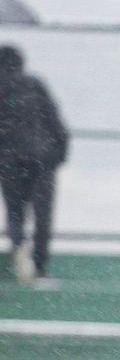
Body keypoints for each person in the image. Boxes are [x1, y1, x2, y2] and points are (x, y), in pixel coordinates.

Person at [0, 45, 69, 287]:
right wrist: (59, 154)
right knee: (43, 215)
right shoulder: (34, 85)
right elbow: (55, 121)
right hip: (41, 159)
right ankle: (39, 268)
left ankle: (19, 247)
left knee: (15, 213)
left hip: (8, 161)